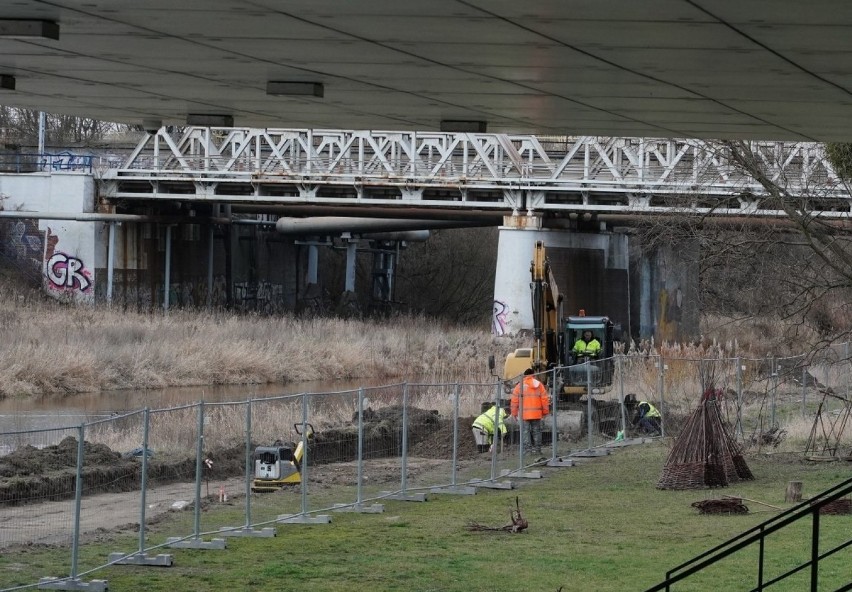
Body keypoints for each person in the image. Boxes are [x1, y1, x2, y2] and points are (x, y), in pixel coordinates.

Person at [511, 368, 551, 456]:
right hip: (536, 414)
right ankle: (538, 450)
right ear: (533, 375)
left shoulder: (519, 386)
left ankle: (527, 451)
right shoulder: (539, 385)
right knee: (536, 431)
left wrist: (514, 413)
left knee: (525, 432)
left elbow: (514, 401)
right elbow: (544, 399)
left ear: (524, 375)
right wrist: (545, 412)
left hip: (524, 415)